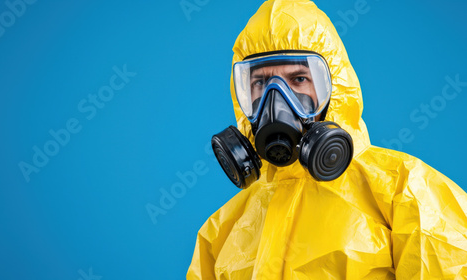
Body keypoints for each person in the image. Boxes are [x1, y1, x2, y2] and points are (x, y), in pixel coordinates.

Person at [187, 0, 467, 279]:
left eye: (298, 79)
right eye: (260, 83)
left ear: (334, 86)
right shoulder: (220, 231)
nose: (276, 100)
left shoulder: (404, 192)